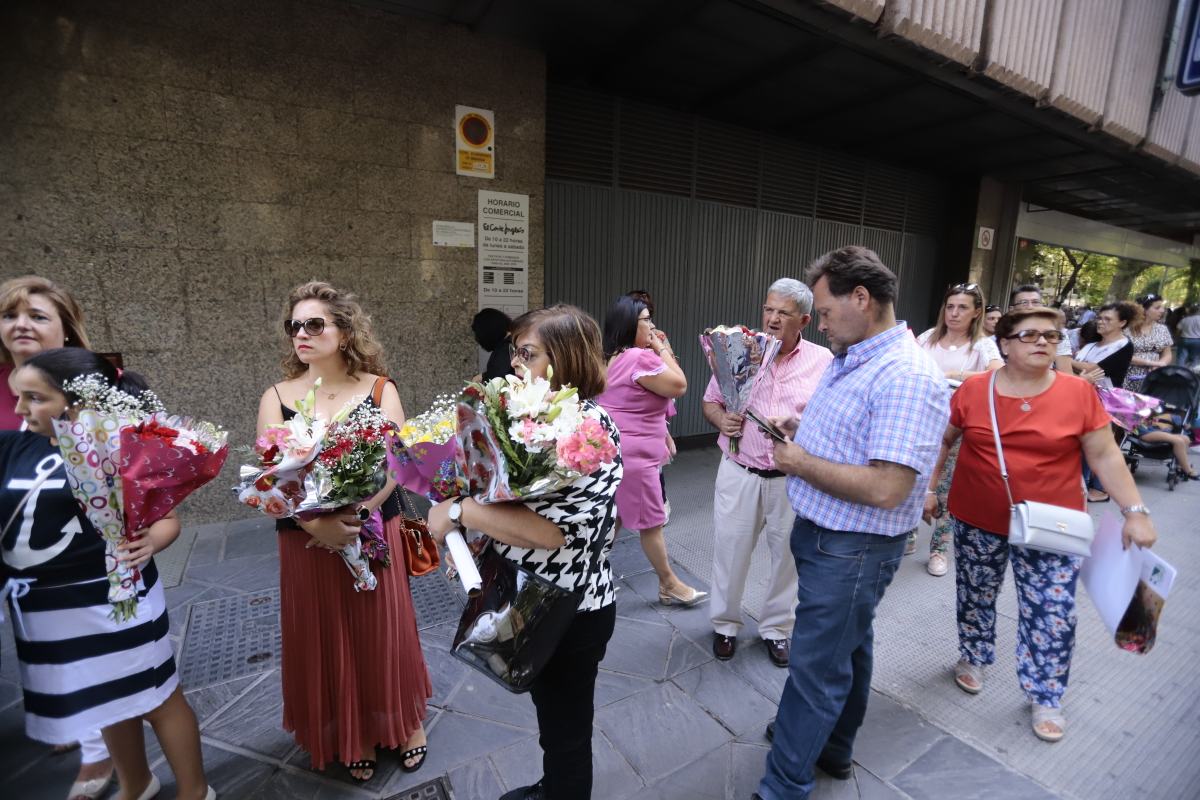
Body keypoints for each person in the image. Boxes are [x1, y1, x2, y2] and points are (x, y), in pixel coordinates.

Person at [754, 248, 948, 800]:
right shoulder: (856, 353)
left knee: (816, 668)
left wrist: (797, 461)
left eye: (821, 309)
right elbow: (860, 437)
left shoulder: (906, 374)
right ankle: (832, 748)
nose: (817, 321)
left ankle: (784, 784)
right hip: (828, 538)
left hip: (854, 547)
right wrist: (804, 427)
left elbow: (888, 487)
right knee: (850, 646)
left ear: (861, 298)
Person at [925, 305, 1158, 743]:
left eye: (1051, 336)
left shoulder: (1077, 393)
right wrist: (931, 487)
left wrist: (1135, 511)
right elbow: (945, 438)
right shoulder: (975, 390)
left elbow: (1105, 454)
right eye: (1030, 335)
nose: (1043, 343)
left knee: (1052, 612)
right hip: (978, 517)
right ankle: (974, 655)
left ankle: (1046, 692)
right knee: (975, 594)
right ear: (1005, 344)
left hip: (1055, 524)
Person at [425, 305, 622, 800]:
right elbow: (503, 496)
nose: (515, 364)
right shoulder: (526, 419)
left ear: (567, 358)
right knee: (552, 720)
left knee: (567, 731)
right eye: (515, 352)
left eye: (527, 354)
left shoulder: (589, 429)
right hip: (523, 591)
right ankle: (553, 786)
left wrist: (459, 512)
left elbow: (556, 534)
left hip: (570, 607)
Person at [2, 348, 214, 800]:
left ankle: (194, 792)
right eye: (18, 398)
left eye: (34, 398)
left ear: (74, 402)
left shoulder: (120, 449)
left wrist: (150, 542)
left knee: (157, 698)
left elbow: (166, 519)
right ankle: (136, 784)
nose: (21, 410)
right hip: (57, 612)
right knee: (106, 699)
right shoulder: (19, 447)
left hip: (121, 602)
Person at [255, 282, 430, 781]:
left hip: (374, 529)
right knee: (324, 633)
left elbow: (397, 463)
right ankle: (347, 733)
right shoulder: (277, 396)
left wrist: (359, 517)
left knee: (384, 628)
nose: (302, 334)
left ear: (345, 330)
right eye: (295, 326)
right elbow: (270, 477)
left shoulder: (380, 388)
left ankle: (404, 721)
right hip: (307, 539)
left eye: (315, 324)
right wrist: (317, 522)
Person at [0, 276, 117, 800]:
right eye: (10, 315)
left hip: (80, 559)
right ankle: (65, 718)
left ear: (68, 331)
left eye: (37, 315)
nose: (20, 324)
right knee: (36, 644)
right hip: (14, 550)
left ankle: (99, 752)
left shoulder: (95, 388)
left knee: (86, 648)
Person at [701, 279, 832, 667]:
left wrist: (798, 424)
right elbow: (711, 401)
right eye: (768, 309)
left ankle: (777, 630)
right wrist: (721, 419)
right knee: (730, 550)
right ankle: (724, 625)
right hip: (740, 471)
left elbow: (828, 419)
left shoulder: (822, 361)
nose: (772, 319)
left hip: (790, 480)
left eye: (783, 313)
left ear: (804, 320)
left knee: (788, 557)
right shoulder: (742, 350)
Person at [597, 295, 705, 605]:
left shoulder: (610, 357)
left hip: (617, 451)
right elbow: (679, 385)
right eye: (646, 320)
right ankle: (668, 583)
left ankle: (588, 574)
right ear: (631, 324)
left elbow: (635, 404)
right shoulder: (638, 357)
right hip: (637, 457)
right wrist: (661, 347)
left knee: (614, 517)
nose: (653, 325)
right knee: (651, 523)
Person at [908, 283, 1002, 576]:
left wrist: (954, 375)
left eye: (962, 307)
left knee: (946, 489)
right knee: (910, 477)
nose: (954, 313)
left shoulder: (983, 345)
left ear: (976, 312)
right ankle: (909, 531)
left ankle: (939, 548)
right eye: (950, 306)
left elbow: (999, 372)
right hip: (919, 420)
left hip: (957, 427)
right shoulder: (927, 337)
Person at [1072, 302, 1139, 502]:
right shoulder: (1092, 344)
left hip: (1105, 402)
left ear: (1122, 323)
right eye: (1100, 318)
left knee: (1096, 446)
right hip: (1081, 396)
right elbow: (1086, 369)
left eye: (1107, 319)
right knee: (1085, 445)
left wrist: (1066, 361)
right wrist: (1078, 366)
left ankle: (1099, 489)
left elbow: (1094, 369)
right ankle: (1087, 486)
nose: (1101, 322)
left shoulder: (1124, 345)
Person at [626, 289, 675, 524]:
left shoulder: (659, 336)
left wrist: (658, 348)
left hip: (655, 396)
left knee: (654, 458)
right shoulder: (622, 340)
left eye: (647, 315)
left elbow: (674, 371)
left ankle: (660, 502)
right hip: (630, 404)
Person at [1009, 285, 1073, 372]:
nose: (1030, 306)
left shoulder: (1055, 333)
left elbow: (1066, 373)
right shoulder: (1004, 331)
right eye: (1024, 302)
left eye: (1035, 302)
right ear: (1012, 309)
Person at [1124, 294, 1173, 392]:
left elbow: (1167, 353)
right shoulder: (1126, 328)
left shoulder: (1162, 329)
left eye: (1162, 307)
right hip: (1128, 376)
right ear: (1144, 309)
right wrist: (1151, 363)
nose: (1162, 311)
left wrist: (1159, 364)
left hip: (1152, 377)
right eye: (1157, 308)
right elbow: (1123, 355)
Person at [1132, 408, 1198, 479]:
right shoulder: (1172, 416)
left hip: (1156, 430)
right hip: (1147, 431)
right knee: (1179, 441)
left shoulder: (1167, 414)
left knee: (1186, 439)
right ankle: (1188, 470)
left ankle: (1179, 466)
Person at [472, 307, 513, 382]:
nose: (477, 339)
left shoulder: (505, 349)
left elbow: (498, 379)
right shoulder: (511, 343)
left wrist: (484, 377)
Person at [1175, 303, 1200, 368]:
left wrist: (1177, 339)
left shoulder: (1184, 320)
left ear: (1190, 311)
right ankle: (1192, 373)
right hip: (1197, 341)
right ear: (1198, 311)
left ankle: (1179, 372)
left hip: (1184, 339)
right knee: (1195, 358)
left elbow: (1178, 331)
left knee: (1181, 357)